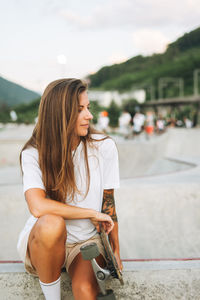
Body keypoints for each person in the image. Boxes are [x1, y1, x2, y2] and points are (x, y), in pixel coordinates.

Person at [17, 78, 122, 300]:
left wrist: (116, 252)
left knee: (85, 291)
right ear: (59, 115)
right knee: (51, 222)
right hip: (44, 242)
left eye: (88, 108)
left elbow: (108, 203)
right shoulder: (33, 153)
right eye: (79, 110)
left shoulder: (104, 147)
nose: (89, 116)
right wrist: (91, 214)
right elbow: (37, 206)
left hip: (84, 243)